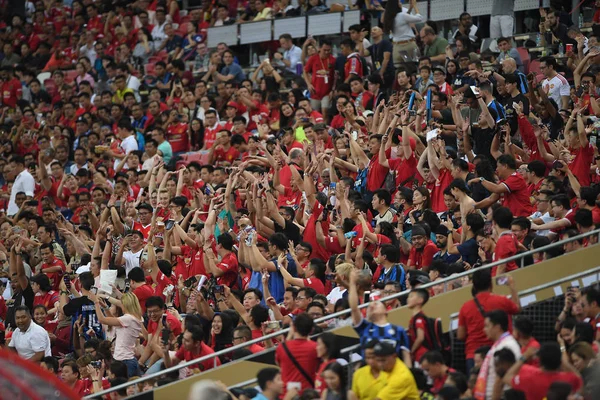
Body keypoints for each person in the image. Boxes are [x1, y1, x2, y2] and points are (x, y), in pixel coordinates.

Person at [458, 269, 520, 373]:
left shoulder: (465, 307)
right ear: (491, 284)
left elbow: (460, 335)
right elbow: (517, 308)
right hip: (501, 352)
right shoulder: (501, 300)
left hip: (474, 355)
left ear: (474, 286)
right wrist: (512, 286)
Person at [349, 270, 411, 365]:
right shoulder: (365, 328)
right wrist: (352, 284)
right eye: (370, 306)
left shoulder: (399, 330)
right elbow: (354, 308)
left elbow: (406, 356)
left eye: (376, 304)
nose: (373, 305)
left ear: (385, 310)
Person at [502, 342, 582, 400]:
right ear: (559, 361)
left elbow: (506, 377)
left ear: (540, 361)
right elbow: (579, 379)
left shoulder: (529, 379)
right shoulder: (568, 379)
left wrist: (524, 356)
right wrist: (561, 359)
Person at [473, 310, 521, 400]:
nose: (484, 329)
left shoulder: (507, 345)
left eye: (487, 326)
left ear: (498, 327)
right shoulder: (499, 345)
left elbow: (500, 379)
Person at [275, 313, 319, 397]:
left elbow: (278, 363)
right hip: (308, 394)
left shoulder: (282, 347)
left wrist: (290, 334)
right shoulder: (315, 347)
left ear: (294, 328)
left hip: (287, 394)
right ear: (311, 330)